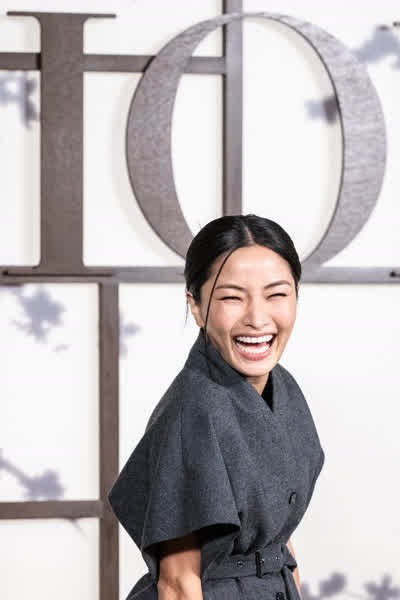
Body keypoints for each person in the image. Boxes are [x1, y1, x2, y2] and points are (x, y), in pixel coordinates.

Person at [107, 214, 325, 600]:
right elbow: (177, 583)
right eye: (231, 297)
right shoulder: (191, 411)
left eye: (276, 294)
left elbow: (278, 538)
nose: (257, 318)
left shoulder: (284, 388)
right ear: (196, 305)